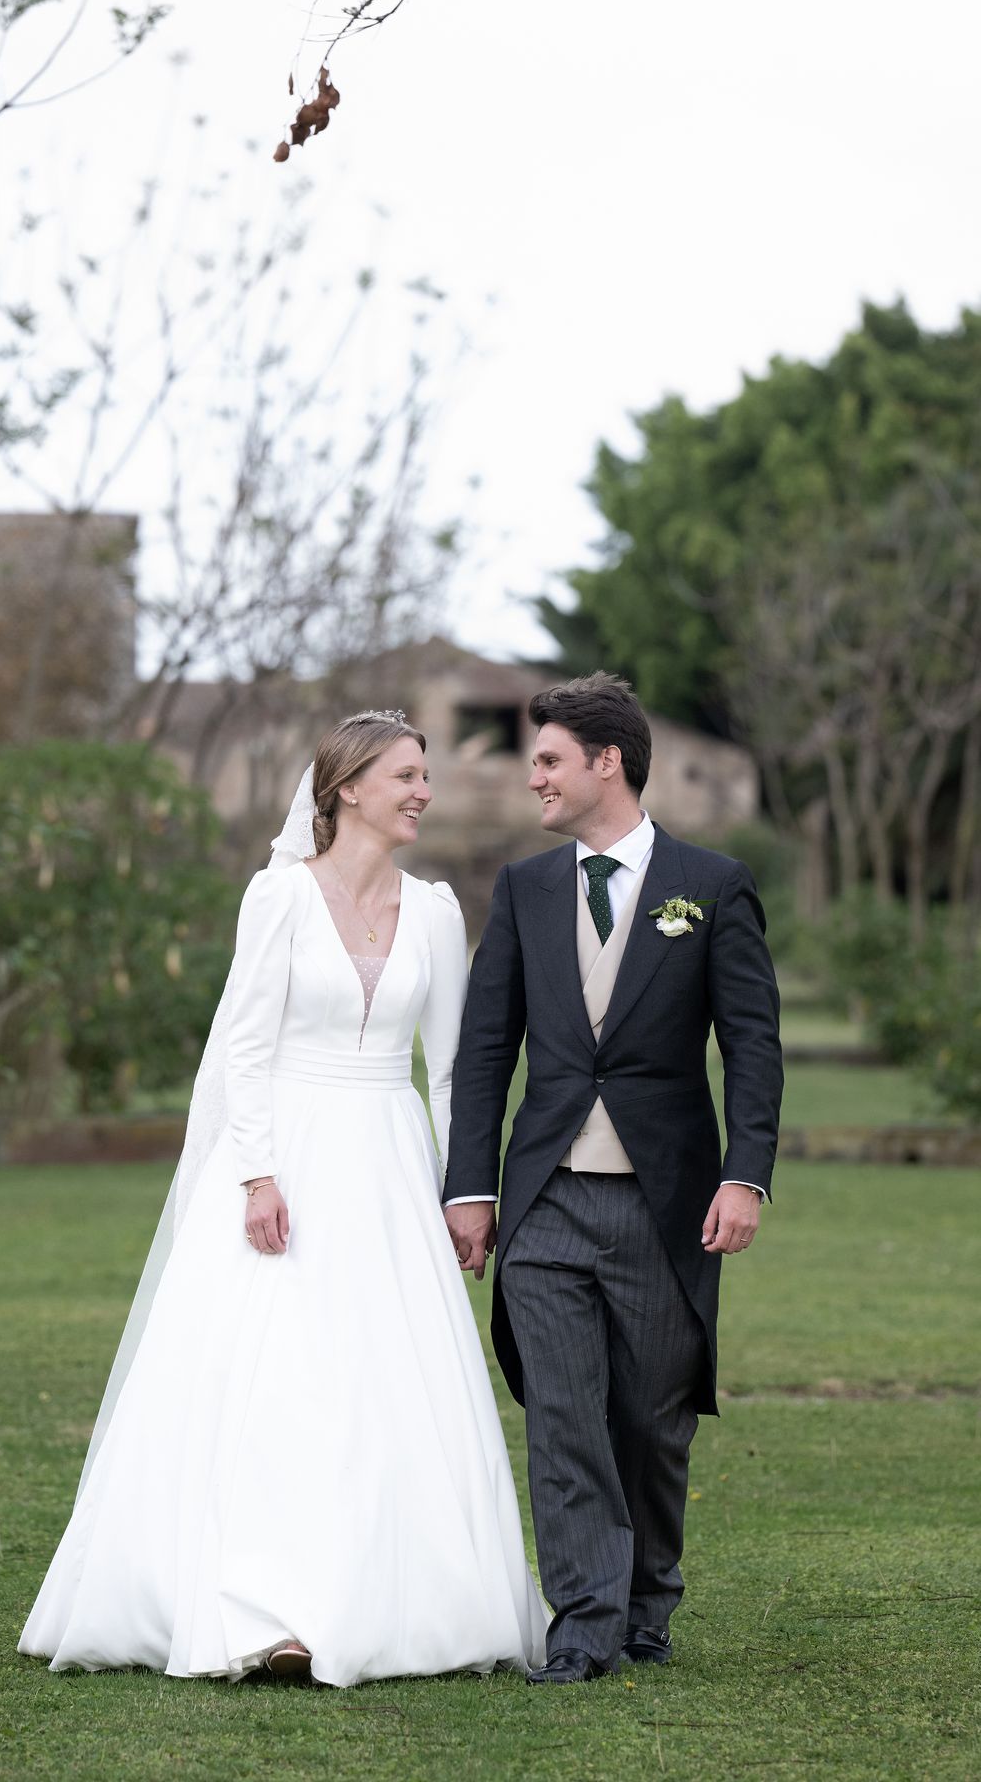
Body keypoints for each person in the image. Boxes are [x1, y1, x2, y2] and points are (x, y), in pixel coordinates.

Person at [19, 710, 547, 1687]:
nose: (424, 792)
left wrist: (459, 1188)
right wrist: (256, 1173)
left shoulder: (435, 911)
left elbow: (451, 1071)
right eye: (406, 775)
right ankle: (262, 1604)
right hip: (289, 1160)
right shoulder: (279, 899)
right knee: (277, 1370)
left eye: (425, 776)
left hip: (390, 1165)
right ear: (348, 788)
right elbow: (246, 1048)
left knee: (388, 1379)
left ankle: (402, 1601)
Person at [443, 673, 783, 1685]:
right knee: (563, 1416)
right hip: (545, 1199)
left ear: (607, 763)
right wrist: (471, 1185)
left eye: (547, 758)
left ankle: (646, 1604)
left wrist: (746, 1176)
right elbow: (485, 1045)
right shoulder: (523, 888)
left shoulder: (711, 885)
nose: (531, 775)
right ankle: (584, 1624)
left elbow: (754, 1048)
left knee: (649, 1420)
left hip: (665, 1201)